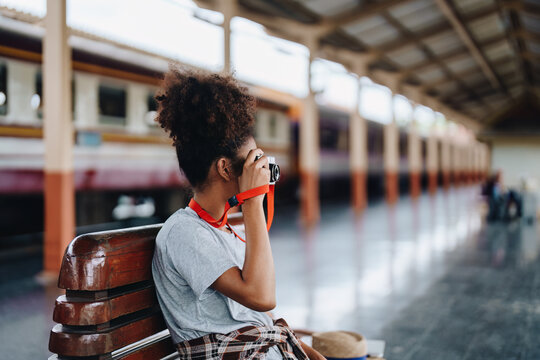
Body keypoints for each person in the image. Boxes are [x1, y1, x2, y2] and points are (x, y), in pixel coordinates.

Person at [151, 67, 325, 360]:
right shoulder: (184, 232)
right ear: (225, 168)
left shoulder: (225, 229)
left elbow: (265, 315)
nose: (261, 170)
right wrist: (253, 203)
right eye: (252, 162)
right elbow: (262, 297)